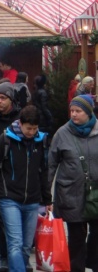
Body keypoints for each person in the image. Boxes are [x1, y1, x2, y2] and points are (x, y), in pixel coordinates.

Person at [0, 105, 52, 272]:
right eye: (28, 128)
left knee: (27, 245)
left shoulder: (40, 140)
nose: (31, 132)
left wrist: (47, 199)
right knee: (15, 243)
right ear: (20, 123)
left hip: (32, 200)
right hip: (9, 198)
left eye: (35, 129)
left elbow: (43, 171)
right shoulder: (6, 139)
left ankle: (19, 267)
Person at [48, 94, 98, 272]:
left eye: (78, 111)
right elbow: (51, 164)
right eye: (72, 111)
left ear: (89, 112)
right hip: (71, 193)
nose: (74, 114)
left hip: (96, 194)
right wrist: (46, 195)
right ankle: (77, 268)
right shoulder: (62, 133)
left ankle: (93, 262)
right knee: (77, 237)